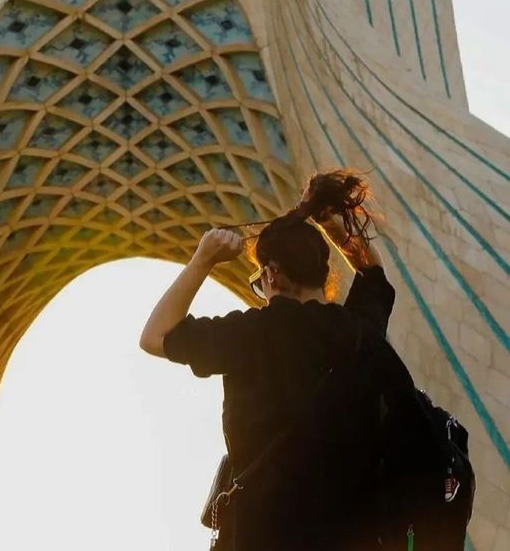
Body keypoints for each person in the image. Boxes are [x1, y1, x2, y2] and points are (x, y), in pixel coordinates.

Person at [139, 169, 396, 551]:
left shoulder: (253, 334)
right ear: (324, 273)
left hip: (261, 533)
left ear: (273, 274)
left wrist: (203, 259)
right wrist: (337, 231)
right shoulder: (358, 330)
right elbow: (374, 276)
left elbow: (154, 336)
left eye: (259, 278)